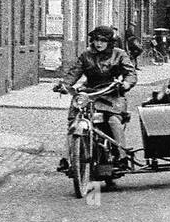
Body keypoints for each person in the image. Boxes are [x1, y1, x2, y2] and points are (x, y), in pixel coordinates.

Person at [54, 25, 138, 173]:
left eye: (103, 41)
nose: (99, 44)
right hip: (90, 93)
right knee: (75, 121)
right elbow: (74, 72)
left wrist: (126, 83)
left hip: (112, 92)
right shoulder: (86, 55)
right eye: (96, 40)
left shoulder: (119, 54)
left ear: (110, 42)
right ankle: (65, 159)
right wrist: (64, 85)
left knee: (113, 120)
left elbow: (130, 73)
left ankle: (122, 156)